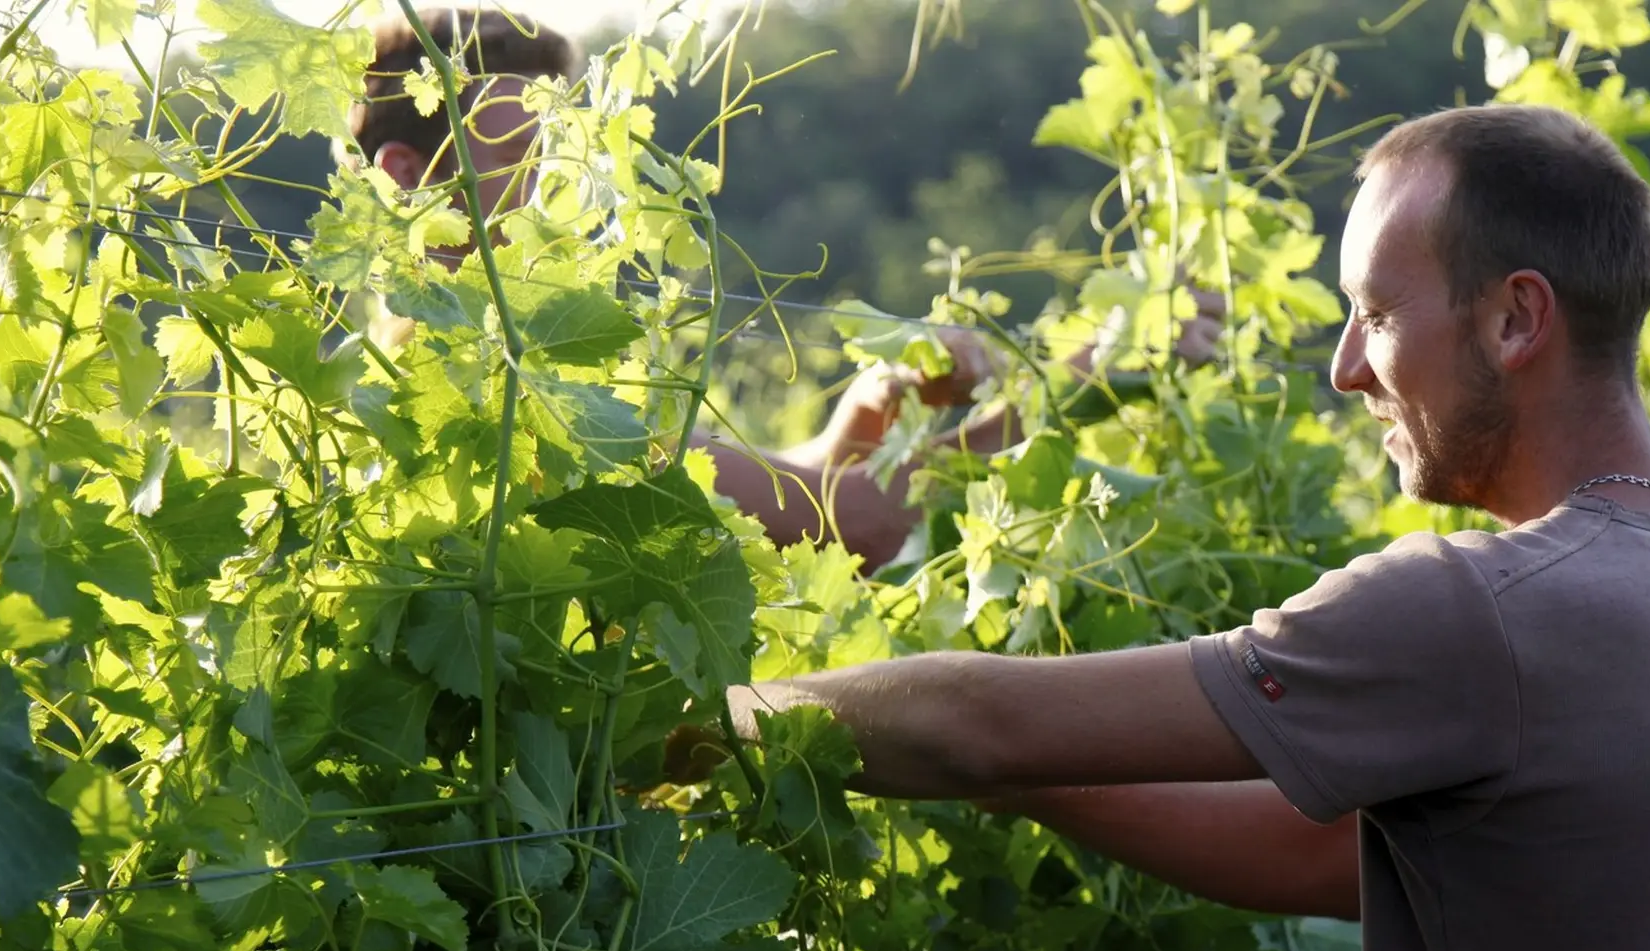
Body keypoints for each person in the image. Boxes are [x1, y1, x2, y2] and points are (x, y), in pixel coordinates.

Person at [727, 104, 1650, 951]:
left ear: (1514, 319)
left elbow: (976, 725)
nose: (1345, 368)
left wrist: (696, 719)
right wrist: (1036, 776)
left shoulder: (1486, 609)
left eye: (1378, 314)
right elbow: (1329, 852)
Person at [340, 6, 1224, 567]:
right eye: (521, 158)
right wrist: (1082, 383)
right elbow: (860, 527)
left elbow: (775, 497)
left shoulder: (527, 360)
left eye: (567, 157)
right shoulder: (489, 394)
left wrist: (871, 408)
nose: (565, 195)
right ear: (404, 178)